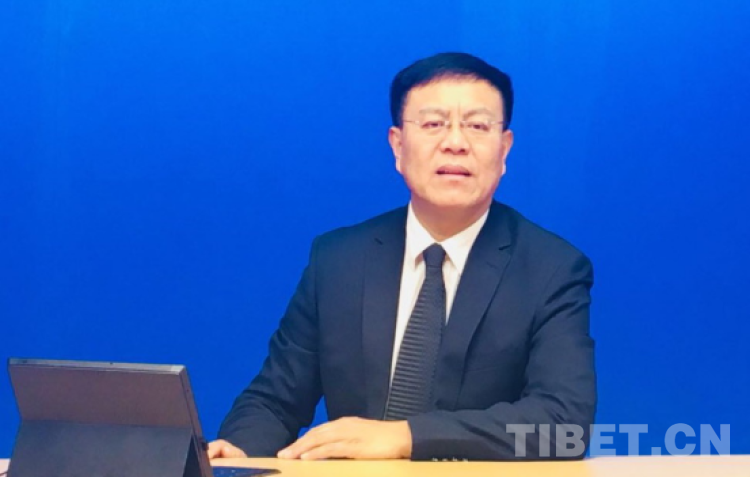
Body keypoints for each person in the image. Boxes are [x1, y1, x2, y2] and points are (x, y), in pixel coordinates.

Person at [208, 52, 596, 461]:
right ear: (397, 145)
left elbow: (564, 426)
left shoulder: (551, 269)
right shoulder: (338, 260)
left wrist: (407, 437)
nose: (455, 143)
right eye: (433, 124)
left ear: (504, 150)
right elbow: (274, 400)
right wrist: (239, 451)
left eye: (478, 126)